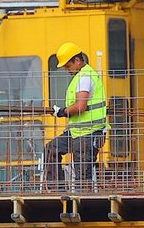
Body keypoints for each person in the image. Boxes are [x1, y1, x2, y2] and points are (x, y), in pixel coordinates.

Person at [44, 42, 108, 189]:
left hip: (88, 134)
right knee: (51, 149)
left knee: (82, 177)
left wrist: (62, 111)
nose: (67, 70)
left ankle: (83, 204)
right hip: (77, 132)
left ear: (77, 61)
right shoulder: (81, 76)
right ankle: (56, 190)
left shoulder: (85, 77)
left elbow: (80, 106)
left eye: (68, 66)